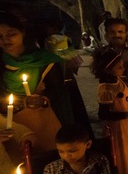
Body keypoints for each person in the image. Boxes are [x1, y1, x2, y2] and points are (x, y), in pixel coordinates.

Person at [0, 12, 75, 149]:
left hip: (42, 121)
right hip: (9, 126)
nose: (5, 40)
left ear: (22, 32)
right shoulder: (1, 62)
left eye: (11, 34)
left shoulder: (45, 60)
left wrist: (43, 99)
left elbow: (57, 89)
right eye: (0, 37)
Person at [92, 47, 128, 174]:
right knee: (122, 154)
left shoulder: (118, 81)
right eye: (119, 67)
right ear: (108, 69)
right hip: (118, 129)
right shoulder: (107, 88)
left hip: (127, 126)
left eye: (122, 66)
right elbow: (103, 113)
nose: (123, 69)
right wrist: (125, 114)